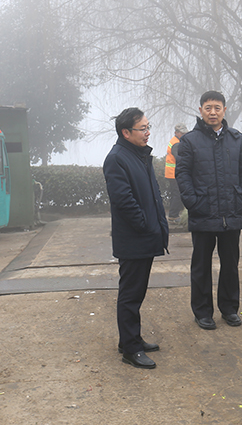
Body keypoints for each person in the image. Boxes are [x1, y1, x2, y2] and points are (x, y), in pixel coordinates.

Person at [176, 91, 242, 330]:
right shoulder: (189, 141)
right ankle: (202, 312)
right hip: (203, 212)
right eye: (208, 108)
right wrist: (193, 203)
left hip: (232, 212)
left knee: (230, 264)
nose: (212, 112)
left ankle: (229, 309)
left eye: (217, 108)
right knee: (201, 266)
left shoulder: (237, 139)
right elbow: (183, 174)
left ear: (224, 110)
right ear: (200, 110)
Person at [103, 107, 169, 369]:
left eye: (148, 127)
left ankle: (130, 339)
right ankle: (131, 350)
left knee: (137, 292)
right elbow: (124, 201)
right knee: (130, 295)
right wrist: (144, 225)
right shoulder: (117, 159)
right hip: (134, 238)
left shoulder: (138, 155)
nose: (147, 132)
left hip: (145, 236)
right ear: (126, 132)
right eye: (143, 128)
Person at [165, 123, 188, 223]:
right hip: (173, 173)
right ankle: (173, 216)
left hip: (173, 173)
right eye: (182, 133)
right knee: (177, 194)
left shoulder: (176, 141)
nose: (183, 134)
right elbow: (180, 158)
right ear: (176, 132)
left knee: (176, 194)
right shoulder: (176, 143)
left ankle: (175, 214)